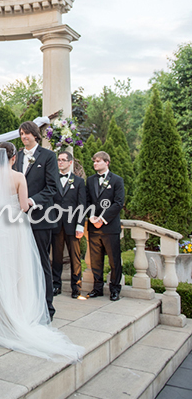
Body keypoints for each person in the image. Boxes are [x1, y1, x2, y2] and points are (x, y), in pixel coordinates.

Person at [0, 142, 83, 362]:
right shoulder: (19, 177)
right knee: (17, 265)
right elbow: (24, 205)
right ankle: (16, 311)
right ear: (13, 158)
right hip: (14, 225)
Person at [14, 121, 58, 320]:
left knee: (41, 262)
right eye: (22, 134)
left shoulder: (48, 156)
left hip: (40, 218)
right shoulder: (17, 157)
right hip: (17, 219)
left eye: (28, 133)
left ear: (36, 135)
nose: (24, 137)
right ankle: (26, 305)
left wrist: (31, 201)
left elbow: (52, 187)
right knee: (22, 261)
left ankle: (47, 307)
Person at [85, 151, 124, 301]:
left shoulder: (117, 180)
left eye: (98, 161)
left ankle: (115, 289)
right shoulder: (90, 180)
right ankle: (97, 288)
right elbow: (87, 201)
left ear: (107, 162)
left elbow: (118, 202)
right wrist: (92, 216)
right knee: (95, 260)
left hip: (110, 227)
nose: (95, 164)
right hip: (94, 227)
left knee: (114, 261)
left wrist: (103, 218)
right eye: (94, 161)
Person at [51, 151, 86, 299]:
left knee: (75, 257)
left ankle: (76, 287)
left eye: (63, 160)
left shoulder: (78, 182)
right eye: (59, 160)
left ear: (70, 162)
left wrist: (80, 225)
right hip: (56, 224)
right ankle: (56, 285)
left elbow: (82, 204)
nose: (60, 162)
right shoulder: (52, 179)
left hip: (73, 225)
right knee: (57, 257)